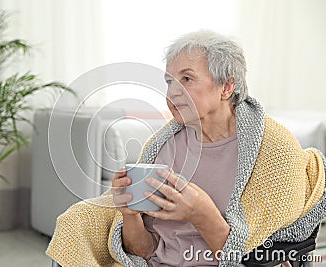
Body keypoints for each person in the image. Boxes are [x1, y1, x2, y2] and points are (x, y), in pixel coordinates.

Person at [46, 30, 326, 266]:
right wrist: (129, 216)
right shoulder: (164, 146)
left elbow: (260, 258)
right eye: (169, 81)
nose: (172, 92)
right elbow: (145, 251)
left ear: (226, 86)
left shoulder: (273, 151)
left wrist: (201, 214)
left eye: (187, 79)